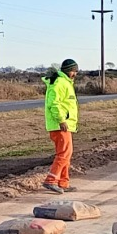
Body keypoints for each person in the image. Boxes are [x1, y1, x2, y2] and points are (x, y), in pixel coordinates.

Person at [42, 58, 80, 194]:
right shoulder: (59, 83)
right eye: (73, 71)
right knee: (64, 154)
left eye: (76, 71)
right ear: (67, 71)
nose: (75, 74)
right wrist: (61, 120)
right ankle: (51, 180)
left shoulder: (65, 82)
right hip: (60, 125)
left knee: (66, 154)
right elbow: (54, 104)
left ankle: (63, 183)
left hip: (64, 124)